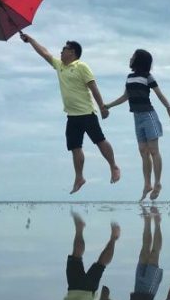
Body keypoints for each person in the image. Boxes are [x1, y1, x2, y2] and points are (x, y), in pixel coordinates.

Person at [19, 32, 120, 194]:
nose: (61, 52)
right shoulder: (60, 66)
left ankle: (113, 166)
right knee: (75, 147)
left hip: (87, 113)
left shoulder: (81, 66)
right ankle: (79, 177)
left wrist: (102, 107)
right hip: (72, 116)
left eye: (64, 49)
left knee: (100, 141)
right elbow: (44, 53)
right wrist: (30, 40)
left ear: (72, 52)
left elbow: (93, 87)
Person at [104, 49, 170, 201]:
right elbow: (126, 96)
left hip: (149, 115)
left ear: (139, 60)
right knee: (143, 151)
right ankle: (147, 184)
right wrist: (109, 105)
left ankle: (157, 183)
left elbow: (159, 94)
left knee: (154, 151)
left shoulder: (147, 77)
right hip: (137, 118)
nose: (130, 58)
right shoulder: (129, 77)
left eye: (133, 56)